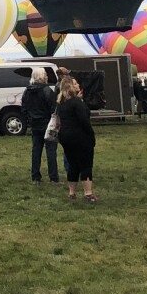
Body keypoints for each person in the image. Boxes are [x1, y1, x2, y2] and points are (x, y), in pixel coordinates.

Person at [56, 75, 97, 203]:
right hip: (79, 136)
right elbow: (84, 120)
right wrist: (91, 135)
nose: (78, 85)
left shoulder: (61, 103)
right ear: (71, 87)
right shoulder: (77, 103)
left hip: (65, 136)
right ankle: (88, 193)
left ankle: (72, 192)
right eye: (76, 83)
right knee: (85, 164)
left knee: (72, 164)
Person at [21, 68, 59, 185]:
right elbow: (53, 108)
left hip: (35, 124)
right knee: (51, 151)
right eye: (46, 75)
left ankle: (35, 177)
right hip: (47, 124)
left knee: (36, 150)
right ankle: (53, 178)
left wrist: (29, 120)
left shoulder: (27, 91)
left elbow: (24, 108)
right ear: (43, 77)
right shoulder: (47, 91)